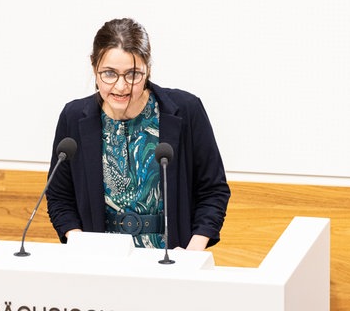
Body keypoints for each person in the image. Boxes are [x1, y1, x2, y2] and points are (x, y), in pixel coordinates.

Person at [45, 18, 230, 250]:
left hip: (172, 258)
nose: (121, 87)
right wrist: (79, 241)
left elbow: (213, 190)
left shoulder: (187, 111)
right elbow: (59, 195)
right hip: (99, 261)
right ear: (94, 67)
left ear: (148, 69)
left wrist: (192, 252)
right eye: (109, 74)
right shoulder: (73, 117)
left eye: (133, 74)